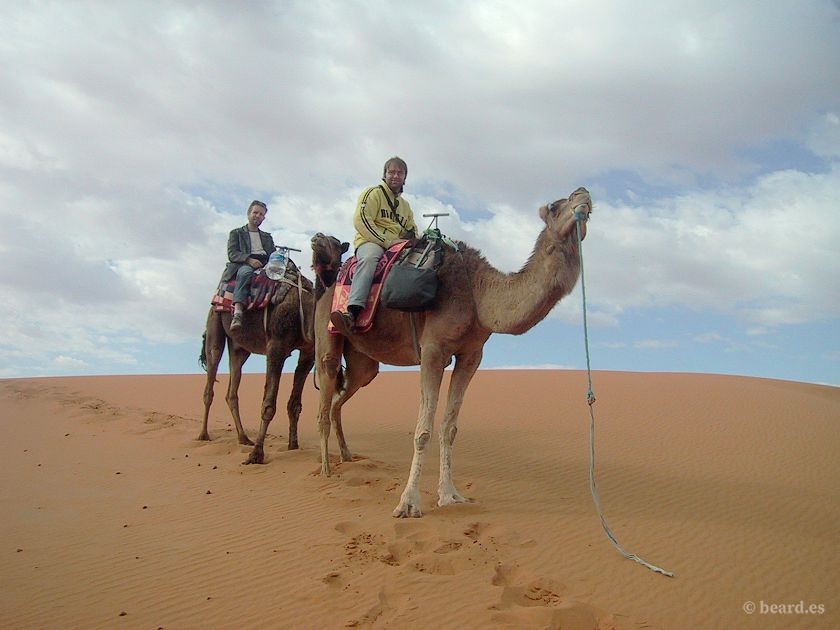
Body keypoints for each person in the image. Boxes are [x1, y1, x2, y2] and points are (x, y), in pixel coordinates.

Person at [330, 156, 417, 334]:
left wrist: (412, 239)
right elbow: (361, 220)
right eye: (391, 172)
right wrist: (387, 241)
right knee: (370, 259)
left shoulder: (405, 206)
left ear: (405, 177)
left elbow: (412, 229)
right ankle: (352, 311)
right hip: (372, 242)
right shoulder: (373, 194)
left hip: (398, 246)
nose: (395, 176)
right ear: (384, 174)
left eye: (399, 173)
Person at [220, 200, 275, 332]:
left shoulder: (267, 237)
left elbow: (272, 253)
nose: (258, 216)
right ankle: (238, 311)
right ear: (249, 213)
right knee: (245, 273)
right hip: (244, 263)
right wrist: (249, 260)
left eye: (261, 214)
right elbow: (232, 253)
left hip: (266, 263)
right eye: (255, 212)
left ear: (264, 218)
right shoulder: (236, 233)